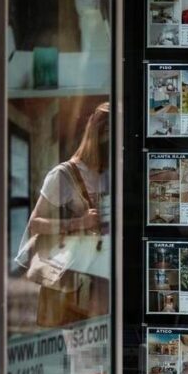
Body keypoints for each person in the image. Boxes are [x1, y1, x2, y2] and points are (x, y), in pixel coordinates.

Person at [16, 102, 111, 327]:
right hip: (70, 278)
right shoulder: (64, 175)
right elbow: (35, 224)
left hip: (101, 277)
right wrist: (79, 222)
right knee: (76, 352)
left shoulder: (109, 174)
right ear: (98, 134)